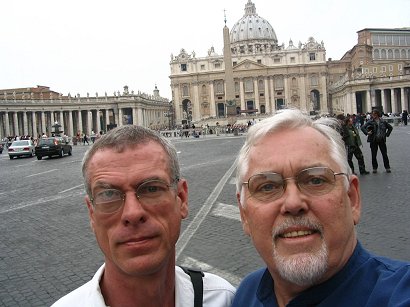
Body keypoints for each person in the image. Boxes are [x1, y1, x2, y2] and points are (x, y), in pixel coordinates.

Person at [232, 109, 410, 307]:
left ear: (352, 199)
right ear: (244, 214)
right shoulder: (245, 295)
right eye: (267, 187)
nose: (293, 203)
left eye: (315, 180)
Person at [52, 125, 235, 307]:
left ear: (181, 198)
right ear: (92, 213)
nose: (132, 213)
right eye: (108, 194)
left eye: (151, 189)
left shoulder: (226, 300)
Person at [361, 109, 393, 173]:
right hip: (373, 140)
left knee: (384, 154)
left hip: (382, 140)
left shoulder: (383, 121)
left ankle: (387, 167)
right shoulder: (370, 121)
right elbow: (362, 127)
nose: (373, 115)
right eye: (372, 114)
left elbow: (390, 127)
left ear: (378, 114)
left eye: (375, 114)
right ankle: (374, 168)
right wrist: (367, 133)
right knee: (374, 155)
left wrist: (387, 134)